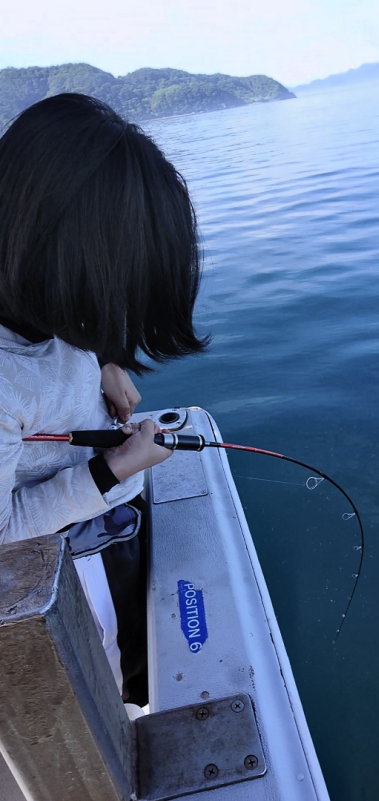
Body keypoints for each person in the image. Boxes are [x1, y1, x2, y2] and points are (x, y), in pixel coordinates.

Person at [0, 93, 208, 708]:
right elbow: (4, 529)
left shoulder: (30, 297)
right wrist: (112, 469)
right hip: (65, 563)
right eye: (106, 304)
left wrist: (102, 361)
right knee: (117, 689)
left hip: (105, 517)